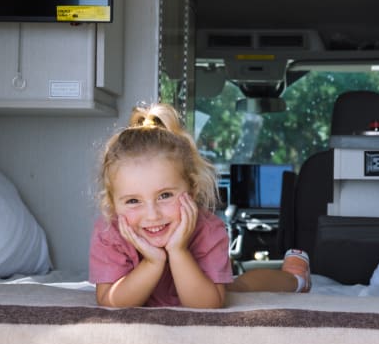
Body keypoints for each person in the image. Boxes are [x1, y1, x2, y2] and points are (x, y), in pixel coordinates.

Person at [89, 103, 312, 308]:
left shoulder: (207, 229)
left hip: (202, 286)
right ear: (112, 205)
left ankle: (296, 277)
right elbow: (109, 301)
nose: (152, 215)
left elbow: (207, 305)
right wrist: (153, 262)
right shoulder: (111, 231)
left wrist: (178, 251)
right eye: (133, 201)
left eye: (165, 195)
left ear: (192, 190)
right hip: (145, 283)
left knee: (238, 288)